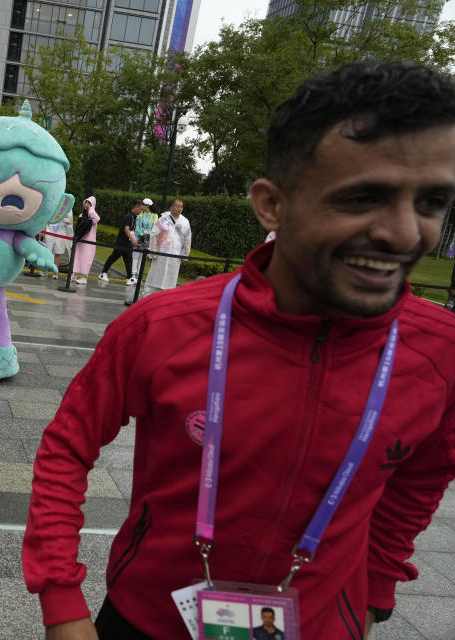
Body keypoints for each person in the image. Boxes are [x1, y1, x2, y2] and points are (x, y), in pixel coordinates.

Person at [22, 60, 455, 640]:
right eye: (362, 198)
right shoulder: (161, 326)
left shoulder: (441, 352)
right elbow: (67, 446)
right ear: (271, 205)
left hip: (326, 625)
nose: (405, 234)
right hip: (149, 618)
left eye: (430, 202)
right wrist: (62, 602)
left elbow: (421, 477)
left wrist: (374, 591)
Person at [139, 199, 191, 298]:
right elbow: (154, 235)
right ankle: (147, 296)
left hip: (174, 256)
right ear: (171, 207)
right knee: (154, 277)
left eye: (181, 207)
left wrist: (185, 254)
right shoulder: (162, 220)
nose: (180, 208)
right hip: (161, 254)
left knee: (170, 280)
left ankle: (166, 299)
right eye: (177, 206)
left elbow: (187, 238)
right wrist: (153, 252)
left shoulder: (185, 222)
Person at [99, 202, 139, 285]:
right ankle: (103, 273)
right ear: (135, 207)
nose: (141, 211)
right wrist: (133, 240)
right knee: (113, 257)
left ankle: (129, 278)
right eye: (140, 209)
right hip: (122, 243)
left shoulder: (134, 217)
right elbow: (126, 229)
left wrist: (132, 240)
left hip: (128, 243)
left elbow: (131, 230)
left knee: (128, 260)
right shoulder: (128, 217)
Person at [71, 196, 99, 284]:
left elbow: (97, 219)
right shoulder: (82, 215)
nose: (87, 205)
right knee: (77, 256)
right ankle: (74, 274)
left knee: (86, 258)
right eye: (86, 203)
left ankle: (84, 277)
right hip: (80, 240)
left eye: (89, 203)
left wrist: (91, 210)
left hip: (89, 242)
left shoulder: (93, 216)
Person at [43, 204, 74, 279]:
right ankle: (45, 270)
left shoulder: (67, 204)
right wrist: (43, 230)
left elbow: (70, 219)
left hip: (61, 231)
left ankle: (55, 272)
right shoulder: (53, 201)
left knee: (58, 252)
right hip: (49, 230)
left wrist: (65, 219)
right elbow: (46, 216)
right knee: (47, 252)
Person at [131, 198, 156, 277]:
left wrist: (147, 234)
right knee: (135, 255)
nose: (142, 206)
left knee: (142, 257)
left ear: (148, 206)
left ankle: (139, 274)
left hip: (148, 239)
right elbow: (137, 226)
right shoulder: (139, 214)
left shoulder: (155, 216)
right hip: (139, 237)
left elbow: (154, 228)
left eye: (144, 205)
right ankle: (133, 274)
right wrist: (141, 234)